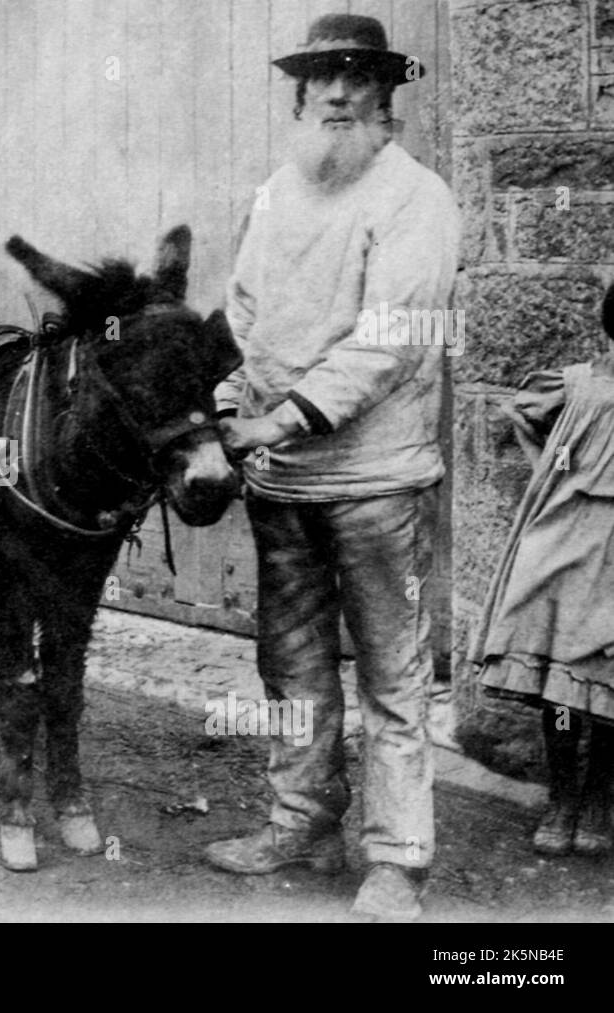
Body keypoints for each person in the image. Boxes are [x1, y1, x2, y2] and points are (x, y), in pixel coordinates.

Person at [204, 15, 461, 921]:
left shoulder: (414, 197)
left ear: (387, 99)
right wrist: (234, 406)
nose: (341, 93)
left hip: (377, 478)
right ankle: (301, 819)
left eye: (360, 79)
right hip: (283, 479)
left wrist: (285, 416)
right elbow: (244, 316)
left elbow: (392, 340)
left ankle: (398, 858)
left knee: (394, 674)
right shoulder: (277, 194)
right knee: (291, 667)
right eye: (324, 79)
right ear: (300, 97)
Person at [470, 284, 614, 858]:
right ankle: (561, 797)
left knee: (607, 684)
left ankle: (601, 798)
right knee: (558, 687)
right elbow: (525, 415)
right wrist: (548, 473)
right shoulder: (577, 382)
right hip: (565, 537)